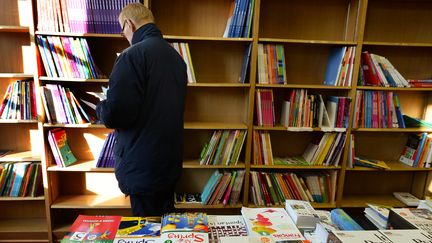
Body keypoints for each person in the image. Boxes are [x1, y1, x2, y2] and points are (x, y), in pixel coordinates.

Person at [96, 3, 187, 216]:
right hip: (169, 160)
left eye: (122, 29)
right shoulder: (175, 58)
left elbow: (117, 115)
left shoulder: (131, 56)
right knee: (166, 225)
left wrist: (101, 107)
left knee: (146, 229)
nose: (124, 35)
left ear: (129, 24)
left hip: (142, 164)